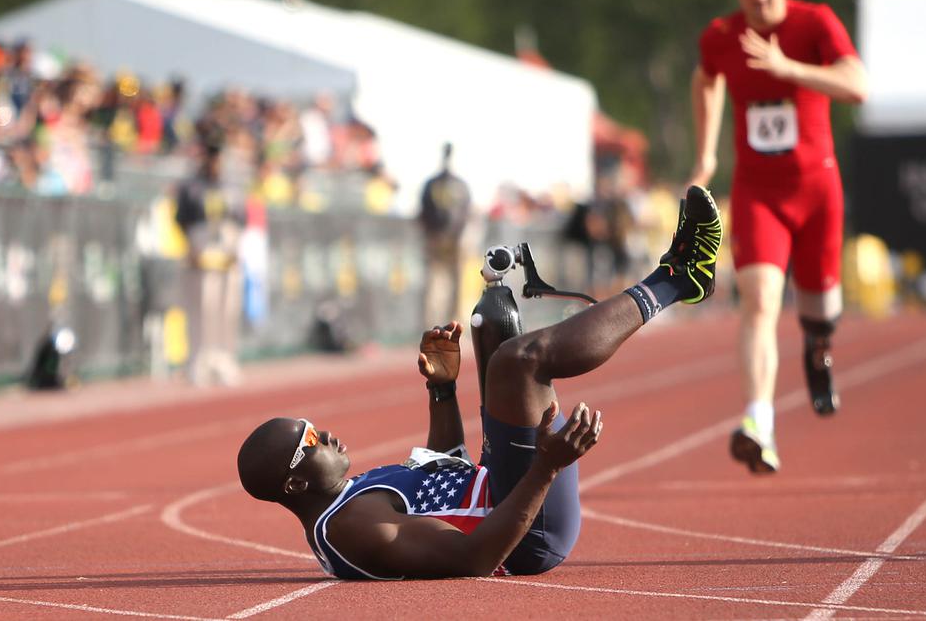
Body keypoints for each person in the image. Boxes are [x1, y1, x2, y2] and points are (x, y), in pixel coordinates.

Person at [236, 186, 722, 579]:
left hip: (498, 489)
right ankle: (679, 277)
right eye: (311, 441)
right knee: (520, 362)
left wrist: (442, 390)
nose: (326, 434)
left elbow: (446, 469)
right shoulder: (352, 528)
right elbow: (475, 558)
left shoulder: (345, 499)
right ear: (296, 482)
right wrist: (546, 468)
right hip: (525, 537)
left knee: (493, 333)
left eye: (314, 427)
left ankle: (679, 276)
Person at [686, 0, 869, 474]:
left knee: (820, 310)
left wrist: (789, 68)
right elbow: (705, 80)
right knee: (760, 300)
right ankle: (758, 423)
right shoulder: (723, 35)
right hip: (759, 193)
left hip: (817, 191)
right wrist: (705, 156)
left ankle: (818, 347)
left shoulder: (815, 23)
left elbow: (857, 84)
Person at [174, 129, 245, 387]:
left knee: (227, 309)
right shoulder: (191, 187)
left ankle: (224, 359)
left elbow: (240, 220)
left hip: (227, 255)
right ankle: (198, 361)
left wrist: (235, 248)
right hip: (201, 254)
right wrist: (191, 248)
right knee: (202, 309)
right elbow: (182, 220)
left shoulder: (232, 186)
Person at [418, 142, 472, 326]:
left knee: (455, 285)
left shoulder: (459, 185)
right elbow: (424, 211)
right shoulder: (433, 184)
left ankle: (454, 323)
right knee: (434, 284)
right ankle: (432, 323)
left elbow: (467, 212)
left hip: (455, 240)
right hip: (437, 239)